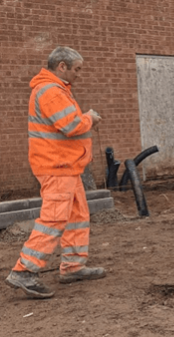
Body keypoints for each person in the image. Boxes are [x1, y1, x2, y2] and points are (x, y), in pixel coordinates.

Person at [5, 46, 105, 299]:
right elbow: (71, 125)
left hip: (66, 166)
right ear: (62, 66)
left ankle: (73, 266)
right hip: (57, 166)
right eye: (77, 69)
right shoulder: (51, 91)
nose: (79, 74)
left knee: (77, 216)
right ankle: (24, 271)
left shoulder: (56, 89)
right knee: (53, 219)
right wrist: (90, 118)